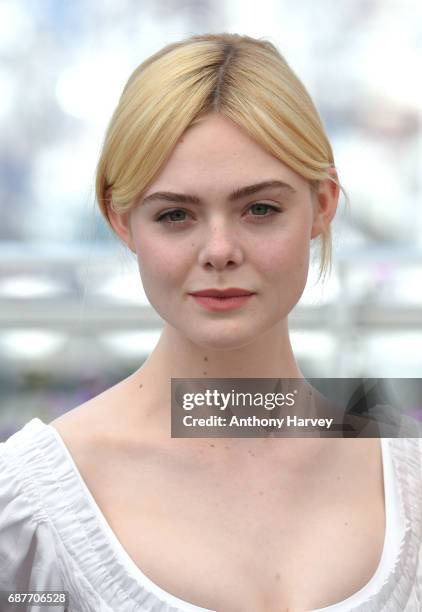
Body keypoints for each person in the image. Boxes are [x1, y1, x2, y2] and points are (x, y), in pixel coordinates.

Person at [0, 32, 421, 612]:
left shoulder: (410, 485)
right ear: (121, 221)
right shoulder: (26, 509)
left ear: (322, 204)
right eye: (176, 214)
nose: (219, 250)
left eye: (260, 208)